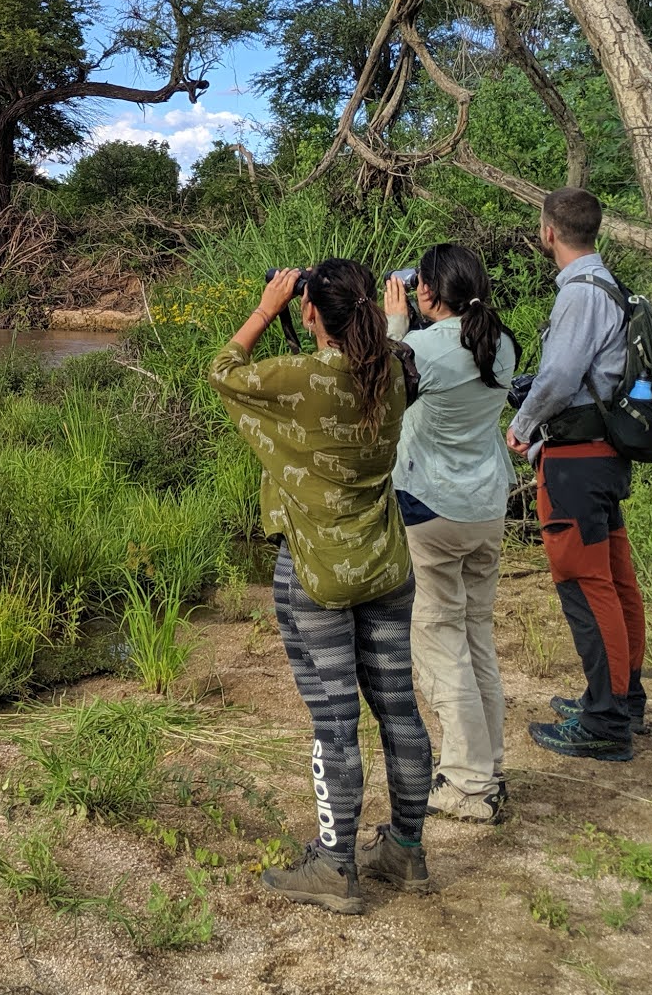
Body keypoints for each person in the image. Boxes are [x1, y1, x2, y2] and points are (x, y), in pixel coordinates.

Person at [210, 259, 433, 915]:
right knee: (400, 710)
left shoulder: (299, 378)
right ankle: (407, 852)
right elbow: (394, 353)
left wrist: (264, 307)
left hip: (316, 572)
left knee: (335, 722)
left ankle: (336, 868)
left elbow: (222, 371)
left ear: (309, 310)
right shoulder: (392, 369)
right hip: (386, 566)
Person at [508, 186, 647, 763]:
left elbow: (561, 376)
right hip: (605, 455)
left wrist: (524, 425)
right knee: (613, 580)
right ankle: (619, 697)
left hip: (576, 461)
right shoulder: (609, 285)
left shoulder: (580, 294)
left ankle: (606, 721)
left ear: (548, 232)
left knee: (585, 586)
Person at [383, 245, 518, 823]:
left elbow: (379, 394)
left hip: (432, 507)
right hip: (487, 506)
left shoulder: (419, 348)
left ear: (431, 293)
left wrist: (393, 328)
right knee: (476, 635)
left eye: (419, 286)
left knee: (441, 642)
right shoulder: (502, 342)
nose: (412, 291)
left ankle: (466, 784)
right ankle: (489, 766)